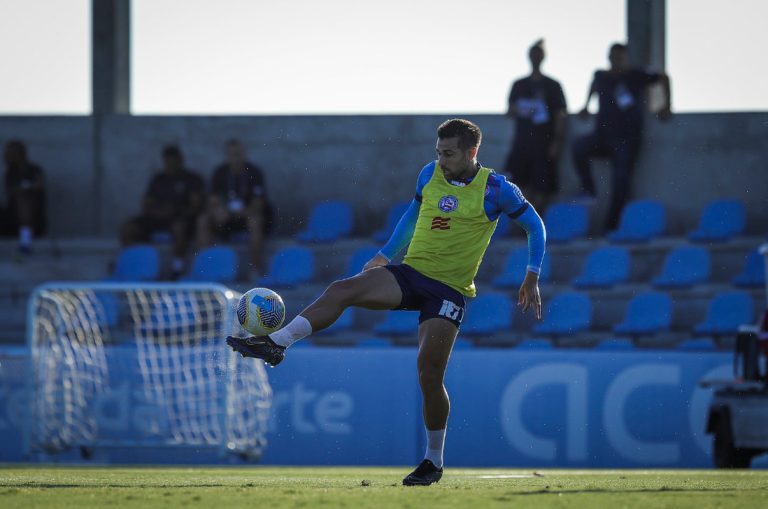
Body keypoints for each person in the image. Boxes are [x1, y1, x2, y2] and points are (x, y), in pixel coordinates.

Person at [227, 119, 546, 486]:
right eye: (438, 152)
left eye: (449, 154)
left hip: (449, 290)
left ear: (472, 152)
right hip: (410, 275)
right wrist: (384, 254)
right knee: (342, 289)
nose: (441, 160)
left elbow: (534, 226)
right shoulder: (429, 174)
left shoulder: (496, 189)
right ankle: (276, 343)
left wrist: (532, 274)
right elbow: (412, 217)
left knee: (429, 373)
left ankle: (433, 461)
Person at [572, 42, 672, 230]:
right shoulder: (601, 75)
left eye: (620, 57)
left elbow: (664, 77)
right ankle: (588, 188)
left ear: (625, 58)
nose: (616, 61)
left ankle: (611, 227)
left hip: (626, 140)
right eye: (613, 57)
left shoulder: (635, 75)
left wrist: (666, 105)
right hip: (601, 137)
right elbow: (594, 86)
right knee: (579, 146)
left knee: (620, 183)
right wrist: (586, 105)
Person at [120, 145, 205, 278]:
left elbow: (197, 206)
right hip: (157, 218)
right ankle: (132, 265)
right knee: (128, 228)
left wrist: (176, 211)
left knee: (179, 227)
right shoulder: (158, 179)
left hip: (181, 219)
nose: (170, 165)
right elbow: (146, 204)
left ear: (180, 160)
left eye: (173, 162)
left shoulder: (191, 179)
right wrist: (159, 212)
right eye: (167, 162)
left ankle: (177, 268)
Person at [503, 39, 567, 213]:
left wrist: (557, 142)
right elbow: (509, 111)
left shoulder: (553, 86)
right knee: (518, 183)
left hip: (544, 143)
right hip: (522, 142)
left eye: (539, 54)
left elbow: (561, 115)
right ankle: (523, 221)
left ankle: (534, 221)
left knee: (543, 185)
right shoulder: (519, 85)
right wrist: (523, 108)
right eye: (533, 54)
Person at [197, 139, 271, 276]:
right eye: (231, 154)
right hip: (225, 218)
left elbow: (258, 203)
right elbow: (212, 200)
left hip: (246, 217)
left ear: (244, 154)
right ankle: (205, 269)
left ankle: (255, 269)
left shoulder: (254, 172)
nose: (235, 158)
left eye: (238, 154)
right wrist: (219, 210)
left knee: (255, 221)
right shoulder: (220, 173)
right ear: (227, 156)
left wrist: (243, 212)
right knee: (203, 220)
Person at [2, 140, 46, 255]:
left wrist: (24, 188)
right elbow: (14, 190)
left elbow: (38, 185)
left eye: (10, 153)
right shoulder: (10, 173)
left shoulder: (34, 170)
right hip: (12, 220)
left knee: (25, 200)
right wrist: (27, 186)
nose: (6, 157)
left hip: (34, 222)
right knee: (21, 198)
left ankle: (25, 242)